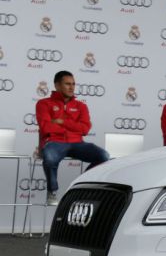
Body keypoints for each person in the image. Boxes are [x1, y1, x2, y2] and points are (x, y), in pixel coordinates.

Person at [35, 70, 110, 205]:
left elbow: (85, 129)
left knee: (103, 155)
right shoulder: (43, 103)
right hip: (55, 142)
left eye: (73, 84)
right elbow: (46, 127)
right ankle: (52, 192)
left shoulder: (81, 106)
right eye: (67, 84)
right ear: (57, 85)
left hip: (77, 143)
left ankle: (79, 184)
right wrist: (73, 126)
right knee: (50, 157)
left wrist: (61, 122)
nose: (71, 87)